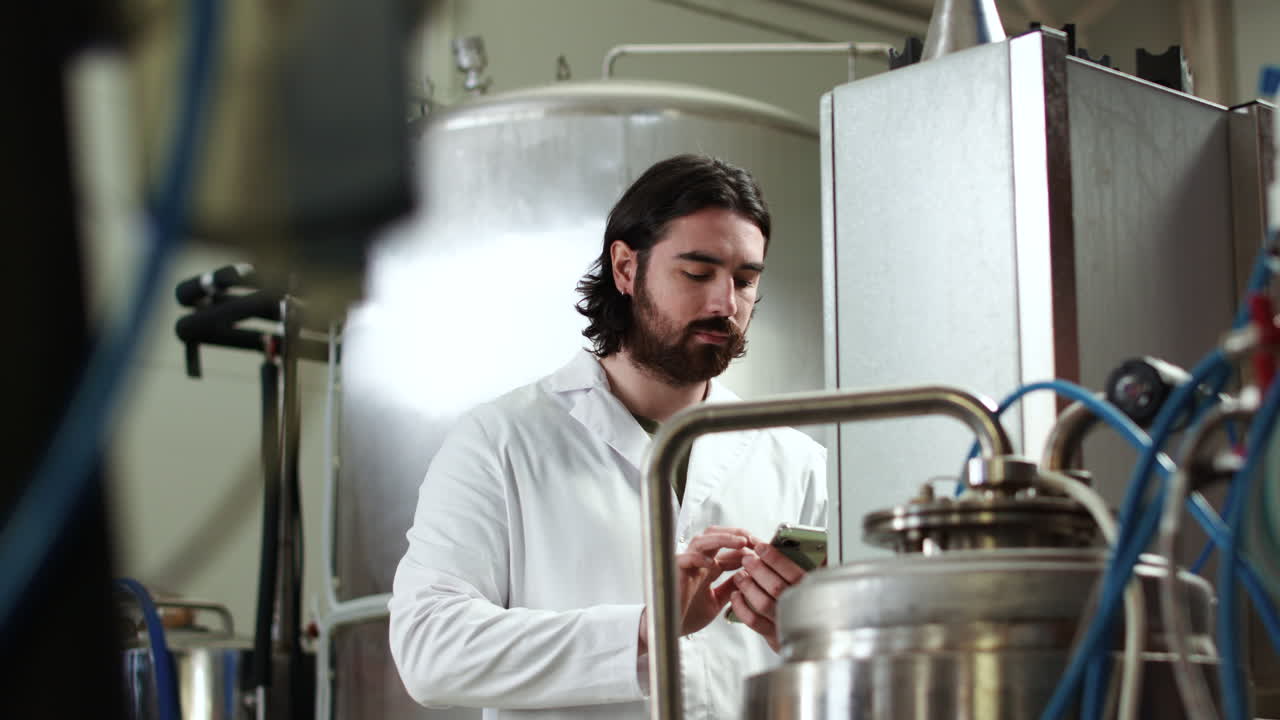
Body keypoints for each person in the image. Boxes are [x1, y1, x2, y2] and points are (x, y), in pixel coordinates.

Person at [388, 154, 828, 719]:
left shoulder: (797, 463)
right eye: (697, 273)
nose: (726, 304)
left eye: (745, 281)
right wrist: (644, 630)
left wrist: (811, 638)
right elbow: (429, 648)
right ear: (625, 267)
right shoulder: (501, 443)